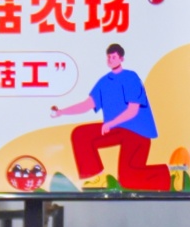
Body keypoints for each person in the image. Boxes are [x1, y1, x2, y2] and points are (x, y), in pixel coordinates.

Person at [51, 42, 172, 191]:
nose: (110, 60)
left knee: (127, 179)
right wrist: (62, 112)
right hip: (116, 130)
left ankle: (169, 174)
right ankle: (95, 177)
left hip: (137, 132)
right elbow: (87, 104)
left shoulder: (131, 77)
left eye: (113, 57)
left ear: (121, 59)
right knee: (80, 134)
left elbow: (133, 110)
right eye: (108, 57)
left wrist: (111, 123)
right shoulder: (104, 82)